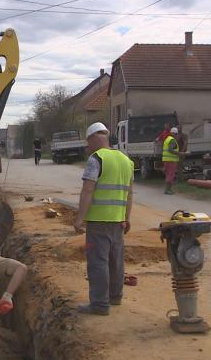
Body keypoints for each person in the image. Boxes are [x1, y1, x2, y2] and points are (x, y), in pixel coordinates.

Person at [73, 122, 133, 316]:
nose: (88, 147)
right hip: (118, 220)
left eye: (88, 143)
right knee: (116, 261)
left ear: (92, 139)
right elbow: (130, 193)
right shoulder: (126, 160)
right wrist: (127, 217)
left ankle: (99, 304)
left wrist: (79, 219)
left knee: (98, 262)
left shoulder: (96, 159)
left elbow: (87, 190)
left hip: (99, 221)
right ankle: (115, 297)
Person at [162, 127, 184, 194]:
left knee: (169, 175)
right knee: (171, 175)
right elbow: (170, 150)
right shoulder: (172, 140)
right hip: (171, 160)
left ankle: (167, 190)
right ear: (174, 134)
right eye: (176, 134)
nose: (177, 135)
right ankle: (168, 190)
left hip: (167, 160)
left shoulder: (168, 139)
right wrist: (180, 153)